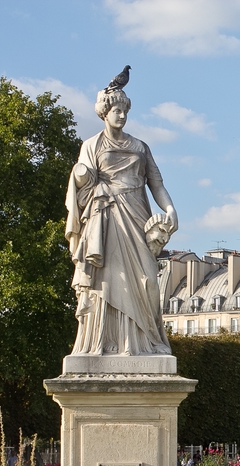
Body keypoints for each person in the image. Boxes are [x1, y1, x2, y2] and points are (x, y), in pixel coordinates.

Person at [65, 87, 177, 356]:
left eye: (125, 111)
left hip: (137, 215)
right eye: (117, 111)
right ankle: (104, 342)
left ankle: (150, 340)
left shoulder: (140, 147)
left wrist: (171, 209)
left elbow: (156, 184)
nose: (123, 116)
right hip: (105, 217)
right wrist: (79, 174)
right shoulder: (91, 146)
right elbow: (83, 182)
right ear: (104, 113)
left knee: (148, 281)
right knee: (107, 281)